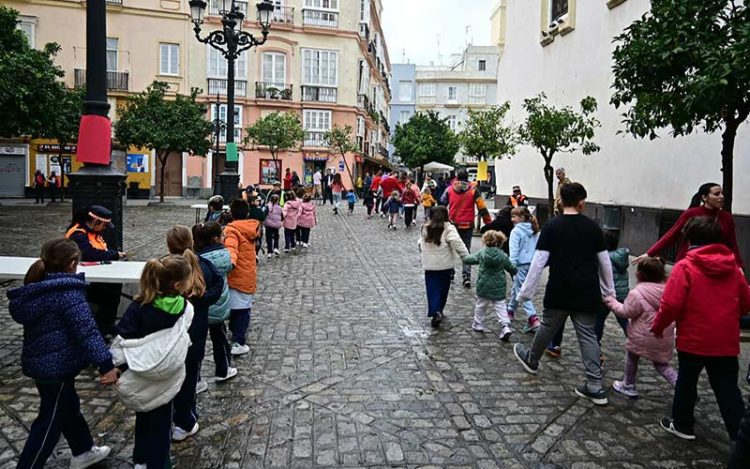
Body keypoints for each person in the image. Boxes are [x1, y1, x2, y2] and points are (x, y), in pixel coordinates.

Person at [8, 238, 116, 469]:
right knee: (48, 423)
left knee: (68, 407)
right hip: (57, 366)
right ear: (72, 264)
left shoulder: (37, 289)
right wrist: (106, 364)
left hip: (42, 362)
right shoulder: (68, 293)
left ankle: (83, 450)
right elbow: (87, 332)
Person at [513, 182, 615, 406]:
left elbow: (538, 262)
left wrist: (526, 292)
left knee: (548, 327)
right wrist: (609, 292)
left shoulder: (552, 226)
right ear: (581, 202)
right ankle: (595, 385)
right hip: (587, 290)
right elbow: (605, 263)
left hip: (559, 287)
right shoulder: (592, 227)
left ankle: (532, 359)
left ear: (562, 200)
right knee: (587, 335)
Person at [651, 217, 750, 441]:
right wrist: (728, 316)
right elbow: (745, 301)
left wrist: (659, 327)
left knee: (686, 383)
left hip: (693, 338)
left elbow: (671, 304)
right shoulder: (733, 268)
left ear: (690, 239)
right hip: (725, 339)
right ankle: (741, 435)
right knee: (728, 389)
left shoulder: (685, 266)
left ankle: (683, 425)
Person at [113, 255, 195, 469]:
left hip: (140, 371)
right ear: (178, 285)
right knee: (161, 423)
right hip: (166, 375)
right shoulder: (183, 307)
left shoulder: (139, 305)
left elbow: (124, 337)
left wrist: (119, 367)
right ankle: (159, 463)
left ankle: (141, 459)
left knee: (143, 415)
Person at [166, 225, 222, 442]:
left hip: (170, 332)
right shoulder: (203, 264)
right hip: (196, 330)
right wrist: (204, 300)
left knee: (172, 376)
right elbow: (218, 283)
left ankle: (175, 418)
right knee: (189, 378)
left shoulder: (165, 266)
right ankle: (184, 420)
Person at [603, 257, 675, 398]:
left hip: (641, 336)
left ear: (639, 274)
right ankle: (683, 387)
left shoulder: (637, 293)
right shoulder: (669, 291)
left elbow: (625, 312)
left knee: (632, 356)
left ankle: (629, 384)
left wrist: (611, 301)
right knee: (662, 365)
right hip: (663, 336)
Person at [634, 182, 743, 269]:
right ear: (704, 198)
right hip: (690, 262)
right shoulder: (691, 213)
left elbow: (732, 244)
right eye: (716, 194)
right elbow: (672, 234)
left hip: (715, 263)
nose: (721, 197)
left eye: (722, 193)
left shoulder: (726, 217)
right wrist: (650, 253)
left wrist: (739, 266)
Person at [66, 205, 127, 337]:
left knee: (115, 285)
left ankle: (106, 324)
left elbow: (102, 251)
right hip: (84, 278)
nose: (104, 229)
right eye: (104, 225)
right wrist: (114, 255)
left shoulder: (94, 233)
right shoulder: (78, 234)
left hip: (98, 274)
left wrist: (114, 254)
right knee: (109, 291)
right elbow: (89, 254)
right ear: (95, 222)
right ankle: (102, 325)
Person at [193, 222, 237, 387]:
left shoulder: (194, 257)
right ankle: (223, 370)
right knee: (220, 339)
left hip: (198, 308)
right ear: (215, 239)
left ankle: (195, 379)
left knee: (196, 343)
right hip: (217, 305)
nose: (224, 238)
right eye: (222, 235)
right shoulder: (223, 256)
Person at [419, 206, 470, 328]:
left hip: (429, 265)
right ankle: (439, 309)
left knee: (432, 290)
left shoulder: (425, 227)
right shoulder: (448, 228)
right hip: (445, 264)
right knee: (443, 289)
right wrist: (466, 258)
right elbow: (458, 243)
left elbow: (420, 242)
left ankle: (434, 310)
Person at [440, 169, 493, 289]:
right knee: (466, 250)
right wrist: (488, 223)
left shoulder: (449, 190)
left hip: (452, 224)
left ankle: (450, 273)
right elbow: (482, 207)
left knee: (450, 249)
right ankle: (466, 276)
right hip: (467, 225)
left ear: (457, 177)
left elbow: (442, 204)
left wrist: (440, 220)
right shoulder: (473, 190)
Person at [463, 230, 518, 340]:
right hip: (499, 286)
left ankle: (478, 323)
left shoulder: (482, 253)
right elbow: (512, 268)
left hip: (483, 285)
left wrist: (463, 255)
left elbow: (469, 259)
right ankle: (505, 326)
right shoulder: (503, 255)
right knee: (501, 307)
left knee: (481, 305)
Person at [224, 199, 261, 356]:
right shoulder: (250, 228)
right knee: (243, 307)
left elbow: (231, 248)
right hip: (248, 274)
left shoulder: (232, 230)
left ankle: (238, 340)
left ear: (231, 213)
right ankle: (237, 335)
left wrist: (230, 263)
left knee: (238, 308)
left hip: (236, 275)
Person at [507, 206, 541, 333]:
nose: (512, 219)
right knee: (517, 287)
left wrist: (512, 265)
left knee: (522, 291)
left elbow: (514, 251)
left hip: (519, 265)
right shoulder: (535, 229)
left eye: (514, 216)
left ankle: (533, 318)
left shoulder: (516, 231)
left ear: (522, 217)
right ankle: (510, 310)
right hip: (532, 265)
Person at [595, 230, 630, 345]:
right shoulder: (621, 257)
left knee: (599, 320)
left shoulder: (604, 258)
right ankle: (633, 339)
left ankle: (596, 341)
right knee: (624, 320)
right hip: (621, 294)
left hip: (606, 294)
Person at [263, 194, 283, 258]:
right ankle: (276, 248)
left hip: (268, 225)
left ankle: (269, 252)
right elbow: (282, 216)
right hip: (276, 225)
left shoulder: (267, 206)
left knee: (269, 238)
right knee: (276, 236)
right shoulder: (279, 208)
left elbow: (264, 214)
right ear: (278, 200)